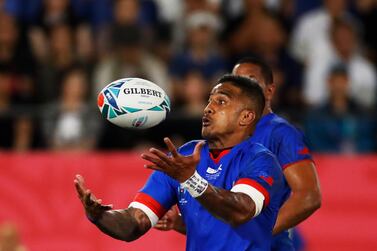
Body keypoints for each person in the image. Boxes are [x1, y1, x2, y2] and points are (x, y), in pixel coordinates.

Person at [75, 75, 286, 250]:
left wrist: (190, 179)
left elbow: (240, 211)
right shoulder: (182, 157)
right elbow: (134, 222)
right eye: (209, 101)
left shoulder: (261, 160)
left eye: (221, 101)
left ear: (246, 117)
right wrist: (99, 216)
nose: (208, 108)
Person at [156, 57, 322, 251]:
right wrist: (179, 222)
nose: (240, 86)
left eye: (251, 80)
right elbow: (225, 214)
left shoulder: (281, 133)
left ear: (269, 90)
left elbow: (308, 196)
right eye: (235, 80)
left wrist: (258, 233)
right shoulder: (221, 135)